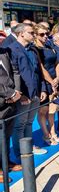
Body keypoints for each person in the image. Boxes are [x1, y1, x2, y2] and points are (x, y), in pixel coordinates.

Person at [8, 23, 48, 158]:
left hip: (35, 93)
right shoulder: (12, 50)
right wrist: (21, 94)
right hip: (23, 95)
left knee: (29, 122)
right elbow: (13, 75)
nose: (34, 35)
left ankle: (29, 147)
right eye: (31, 32)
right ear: (21, 34)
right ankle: (20, 153)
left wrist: (42, 89)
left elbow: (38, 72)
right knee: (20, 125)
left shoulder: (32, 50)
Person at [32, 24, 59, 146]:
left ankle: (53, 132)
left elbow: (57, 61)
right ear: (35, 35)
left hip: (55, 80)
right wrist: (51, 82)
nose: (45, 36)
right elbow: (41, 68)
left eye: (46, 33)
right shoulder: (35, 48)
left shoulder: (49, 45)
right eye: (41, 34)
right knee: (43, 111)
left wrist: (58, 77)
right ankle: (46, 134)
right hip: (44, 82)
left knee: (53, 110)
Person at [0, 47, 23, 180]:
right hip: (3, 99)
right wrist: (11, 93)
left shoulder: (4, 52)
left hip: (11, 102)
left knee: (6, 135)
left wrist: (17, 92)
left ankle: (6, 161)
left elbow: (15, 72)